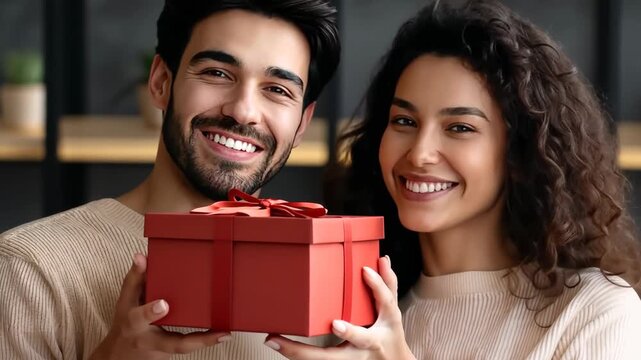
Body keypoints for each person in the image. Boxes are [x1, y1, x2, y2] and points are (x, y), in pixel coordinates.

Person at [263, 0, 641, 359]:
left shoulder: (594, 310)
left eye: (459, 127)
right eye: (404, 122)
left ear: (519, 153)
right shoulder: (349, 317)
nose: (420, 152)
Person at [0, 0, 340, 359]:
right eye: (217, 73)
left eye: (278, 90)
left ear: (302, 123)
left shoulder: (325, 283)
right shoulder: (29, 268)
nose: (243, 110)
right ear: (162, 82)